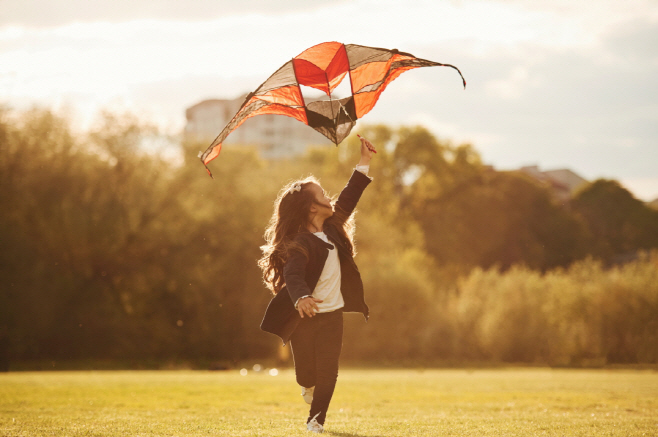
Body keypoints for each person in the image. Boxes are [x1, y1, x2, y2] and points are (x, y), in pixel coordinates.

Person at [259, 136, 376, 433]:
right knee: (306, 374)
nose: (330, 198)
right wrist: (300, 299)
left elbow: (349, 196)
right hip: (305, 316)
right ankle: (306, 387)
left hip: (332, 315)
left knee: (328, 370)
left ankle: (316, 420)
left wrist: (364, 162)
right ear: (312, 208)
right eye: (323, 194)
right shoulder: (300, 243)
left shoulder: (334, 229)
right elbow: (294, 275)